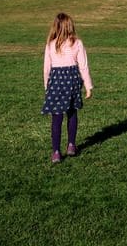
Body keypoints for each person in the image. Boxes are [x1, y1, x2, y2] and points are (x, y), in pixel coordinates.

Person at [41, 12, 94, 164]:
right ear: (70, 26)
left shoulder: (50, 44)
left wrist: (47, 86)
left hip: (56, 83)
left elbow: (46, 68)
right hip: (72, 81)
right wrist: (88, 86)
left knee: (56, 118)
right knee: (72, 113)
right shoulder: (77, 43)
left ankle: (56, 152)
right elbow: (83, 66)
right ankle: (71, 145)